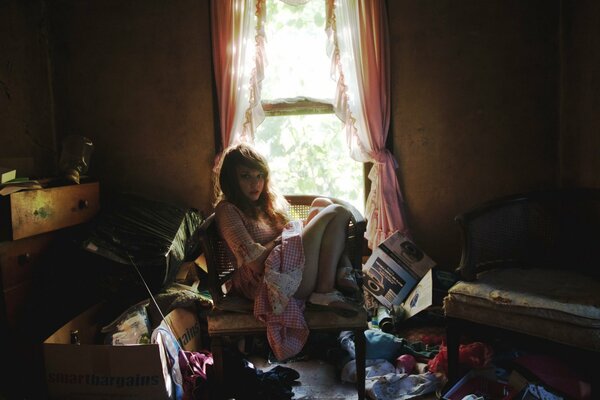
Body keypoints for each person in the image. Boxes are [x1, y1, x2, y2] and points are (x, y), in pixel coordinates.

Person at [213, 143, 360, 317]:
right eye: (246, 176)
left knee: (323, 204)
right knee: (338, 211)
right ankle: (327, 287)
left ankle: (339, 271)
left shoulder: (264, 203)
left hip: (287, 264)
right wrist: (282, 239)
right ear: (232, 180)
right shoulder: (228, 210)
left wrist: (290, 235)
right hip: (268, 284)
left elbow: (291, 231)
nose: (255, 183)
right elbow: (256, 263)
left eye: (260, 175)